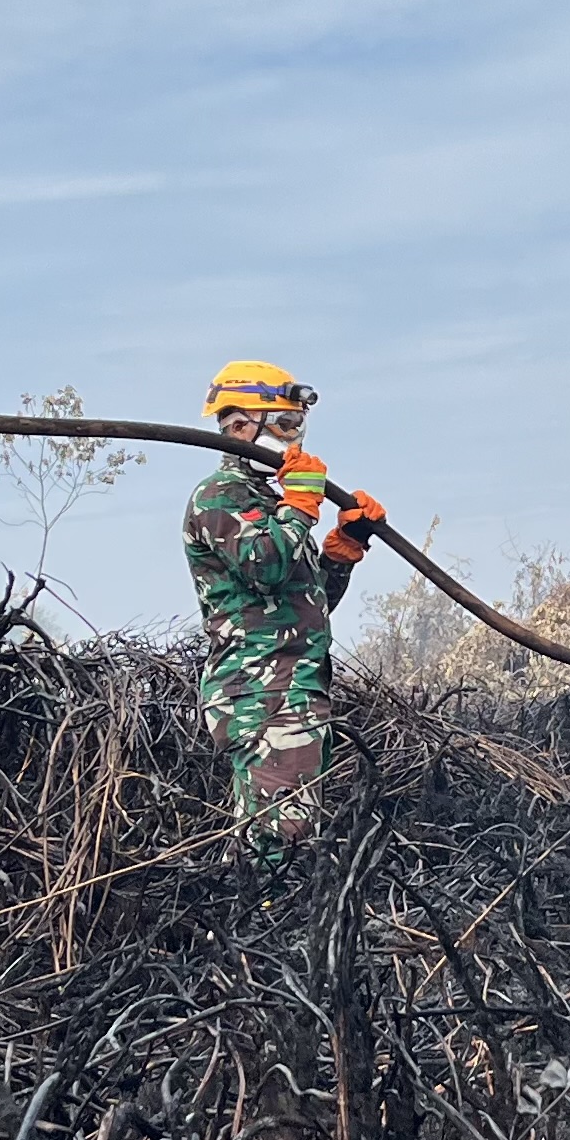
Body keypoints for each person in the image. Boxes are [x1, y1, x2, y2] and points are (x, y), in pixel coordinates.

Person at [183, 360, 388, 854]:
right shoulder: (220, 496)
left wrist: (341, 553)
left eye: (299, 426)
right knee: (280, 840)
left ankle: (259, 922)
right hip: (262, 695)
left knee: (284, 830)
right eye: (287, 425)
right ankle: (263, 926)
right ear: (240, 425)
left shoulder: (268, 501)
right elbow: (266, 566)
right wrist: (299, 507)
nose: (295, 440)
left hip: (292, 689)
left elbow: (302, 608)